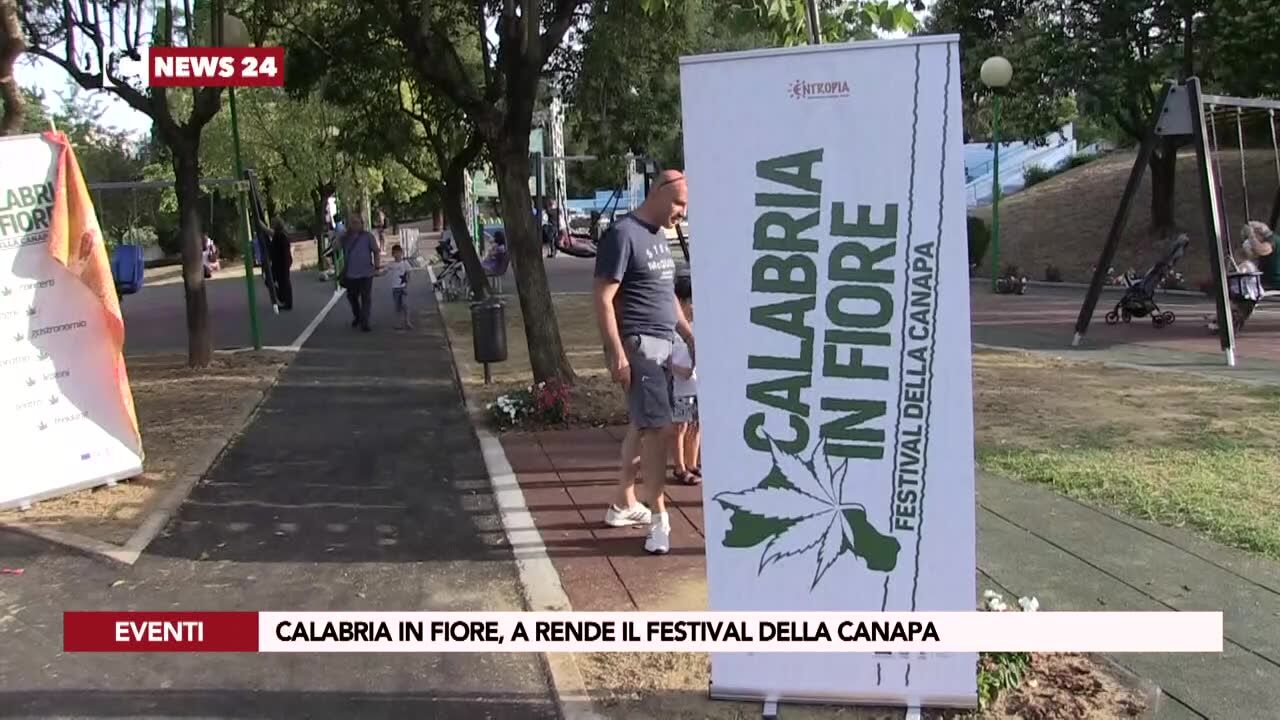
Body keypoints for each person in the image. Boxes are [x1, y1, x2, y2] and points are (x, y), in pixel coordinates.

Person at [593, 169, 691, 555]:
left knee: (642, 425)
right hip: (639, 346)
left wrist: (689, 336)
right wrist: (617, 352)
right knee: (661, 430)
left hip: (665, 344)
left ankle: (623, 504)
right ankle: (659, 520)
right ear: (659, 192)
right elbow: (602, 298)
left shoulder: (660, 238)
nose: (683, 212)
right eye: (680, 203)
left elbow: (667, 297)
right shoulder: (622, 235)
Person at [669, 273, 700, 485]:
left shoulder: (698, 325)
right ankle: (679, 467)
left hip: (698, 384)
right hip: (681, 385)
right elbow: (664, 358)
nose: (692, 306)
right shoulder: (672, 328)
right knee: (681, 425)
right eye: (689, 302)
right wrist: (679, 370)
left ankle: (692, 463)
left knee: (697, 425)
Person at [339, 212, 380, 331]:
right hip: (351, 275)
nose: (355, 225)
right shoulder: (346, 238)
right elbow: (335, 247)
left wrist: (377, 267)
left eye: (357, 222)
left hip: (366, 273)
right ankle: (358, 316)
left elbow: (376, 251)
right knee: (352, 297)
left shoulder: (368, 236)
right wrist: (338, 237)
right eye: (352, 223)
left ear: (362, 224)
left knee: (366, 298)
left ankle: (365, 322)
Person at [269, 218, 294, 310]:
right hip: (282, 262)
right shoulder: (281, 234)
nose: (271, 224)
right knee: (283, 282)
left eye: (273, 223)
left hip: (281, 263)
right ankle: (284, 299)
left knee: (282, 282)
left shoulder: (280, 235)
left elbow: (282, 251)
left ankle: (285, 300)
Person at [387, 243, 413, 330]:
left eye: (398, 253)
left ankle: (407, 321)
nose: (397, 255)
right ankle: (398, 323)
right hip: (395, 288)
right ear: (392, 254)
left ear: (401, 253)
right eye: (395, 253)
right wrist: (375, 274)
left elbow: (409, 273)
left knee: (405, 304)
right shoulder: (391, 264)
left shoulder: (405, 263)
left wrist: (407, 284)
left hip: (403, 287)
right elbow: (384, 272)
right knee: (397, 306)